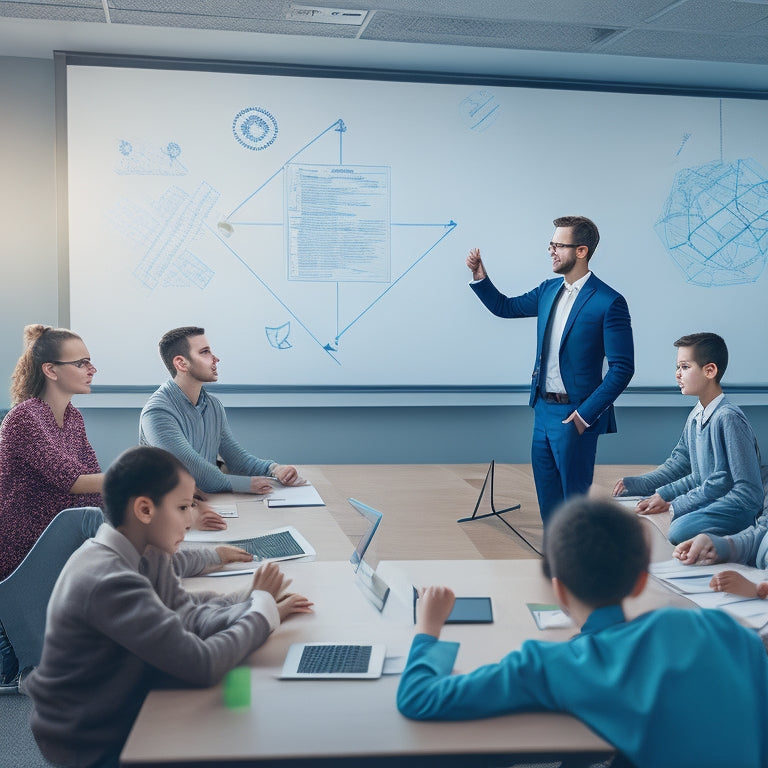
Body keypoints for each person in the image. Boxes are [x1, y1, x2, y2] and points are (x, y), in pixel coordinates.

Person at [397, 497, 768, 768]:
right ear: (640, 582)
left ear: (558, 590)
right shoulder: (720, 627)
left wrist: (428, 627)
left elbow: (418, 698)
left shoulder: (559, 664)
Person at [25, 445, 313, 768]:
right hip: (91, 738)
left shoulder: (149, 551)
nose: (191, 520)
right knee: (244, 730)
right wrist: (262, 612)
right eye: (183, 507)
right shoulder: (109, 580)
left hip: (125, 697)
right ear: (145, 511)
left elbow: (186, 615)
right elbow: (201, 664)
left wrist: (250, 603)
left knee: (244, 715)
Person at [466, 216, 634, 526]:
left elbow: (622, 368)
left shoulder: (609, 302)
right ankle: (555, 566)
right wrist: (481, 277)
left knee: (574, 507)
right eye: (551, 244)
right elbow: (505, 307)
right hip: (543, 410)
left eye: (558, 245)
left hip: (575, 415)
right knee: (549, 504)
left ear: (581, 251)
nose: (551, 251)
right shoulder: (548, 290)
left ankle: (580, 567)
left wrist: (585, 416)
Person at [614, 333, 762, 545]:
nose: (677, 374)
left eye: (684, 367)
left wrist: (673, 503)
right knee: (655, 516)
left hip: (739, 505)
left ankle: (740, 541)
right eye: (677, 367)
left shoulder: (728, 417)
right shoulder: (696, 414)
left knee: (677, 530)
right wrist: (640, 484)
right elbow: (680, 463)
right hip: (712, 497)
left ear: (710, 370)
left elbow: (738, 489)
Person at [139, 326, 302, 495]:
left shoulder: (213, 406)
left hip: (201, 503)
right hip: (162, 511)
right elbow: (192, 471)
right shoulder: (157, 412)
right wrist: (246, 484)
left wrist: (274, 469)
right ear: (181, 363)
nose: (215, 359)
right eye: (204, 352)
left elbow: (236, 459)